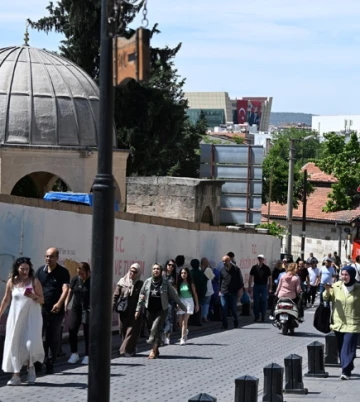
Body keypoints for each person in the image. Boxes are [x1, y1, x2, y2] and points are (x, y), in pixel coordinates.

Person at [0, 257, 44, 385]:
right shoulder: (11, 282)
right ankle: (16, 375)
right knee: (15, 344)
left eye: (27, 269)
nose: (25, 271)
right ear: (17, 269)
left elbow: (42, 299)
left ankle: (30, 368)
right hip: (15, 318)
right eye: (22, 269)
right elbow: (6, 300)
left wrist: (34, 296)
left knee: (29, 344)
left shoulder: (34, 281)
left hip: (32, 318)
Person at [135, 264, 186, 358]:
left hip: (162, 309)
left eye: (158, 269)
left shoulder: (165, 282)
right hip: (149, 309)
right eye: (154, 269)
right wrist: (138, 310)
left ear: (161, 271)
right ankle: (156, 347)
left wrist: (182, 306)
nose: (156, 270)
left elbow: (174, 295)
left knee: (155, 327)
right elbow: (141, 296)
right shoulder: (147, 282)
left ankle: (153, 351)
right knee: (152, 330)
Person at [35, 247, 70, 374]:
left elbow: (65, 289)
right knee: (39, 336)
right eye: (47, 256)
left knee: (53, 337)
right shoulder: (40, 271)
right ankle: (38, 362)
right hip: (40, 309)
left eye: (51, 257)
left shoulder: (63, 272)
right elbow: (34, 287)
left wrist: (59, 303)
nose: (48, 259)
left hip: (56, 310)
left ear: (57, 258)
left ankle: (50, 361)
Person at [323, 266, 360, 380]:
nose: (344, 277)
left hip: (353, 323)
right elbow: (326, 298)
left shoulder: (358, 288)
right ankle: (348, 364)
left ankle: (345, 371)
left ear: (352, 275)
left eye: (346, 275)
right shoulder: (337, 286)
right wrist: (327, 291)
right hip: (338, 323)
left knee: (347, 347)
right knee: (342, 348)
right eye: (342, 274)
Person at [113, 263, 143, 357]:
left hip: (135, 311)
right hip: (123, 311)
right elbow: (115, 295)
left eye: (135, 272)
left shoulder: (140, 284)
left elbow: (142, 298)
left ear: (138, 273)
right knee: (122, 331)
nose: (132, 273)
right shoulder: (122, 282)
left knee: (131, 331)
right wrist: (112, 307)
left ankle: (122, 350)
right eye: (131, 271)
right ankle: (130, 349)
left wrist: (139, 310)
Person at [65, 262, 91, 364]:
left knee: (87, 332)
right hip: (76, 308)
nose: (81, 276)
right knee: (72, 329)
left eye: (83, 274)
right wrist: (66, 304)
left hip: (88, 309)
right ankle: (74, 353)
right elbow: (70, 292)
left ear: (88, 272)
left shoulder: (93, 281)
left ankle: (88, 355)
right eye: (79, 273)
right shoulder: (76, 279)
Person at [219, 255, 244, 329]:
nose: (224, 262)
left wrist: (240, 290)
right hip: (224, 292)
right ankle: (224, 324)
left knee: (233, 309)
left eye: (225, 261)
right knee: (224, 308)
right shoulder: (222, 270)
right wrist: (219, 291)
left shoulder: (236, 269)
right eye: (223, 261)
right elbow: (220, 281)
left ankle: (235, 322)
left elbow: (240, 280)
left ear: (229, 261)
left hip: (233, 292)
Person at [177, 267, 200, 345]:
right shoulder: (179, 283)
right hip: (181, 301)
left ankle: (182, 338)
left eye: (185, 273)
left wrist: (197, 304)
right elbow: (177, 294)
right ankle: (185, 331)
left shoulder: (191, 283)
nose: (183, 274)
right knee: (180, 322)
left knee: (184, 321)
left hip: (189, 302)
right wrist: (177, 303)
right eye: (182, 273)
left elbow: (195, 294)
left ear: (187, 274)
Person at [248, 254, 272, 322]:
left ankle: (263, 316)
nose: (259, 259)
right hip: (256, 285)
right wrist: (250, 286)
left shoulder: (266, 268)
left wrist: (270, 287)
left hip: (264, 286)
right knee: (256, 301)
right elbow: (250, 277)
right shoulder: (254, 267)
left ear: (263, 260)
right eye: (259, 258)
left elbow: (270, 278)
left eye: (261, 258)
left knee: (264, 301)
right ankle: (256, 316)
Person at [162, 259, 177, 345]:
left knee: (169, 316)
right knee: (162, 317)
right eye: (169, 265)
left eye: (172, 265)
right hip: (161, 298)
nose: (171, 267)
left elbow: (176, 288)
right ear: (166, 265)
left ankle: (167, 335)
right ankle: (162, 333)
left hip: (170, 299)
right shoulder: (162, 274)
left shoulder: (175, 276)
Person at [189, 259, 208, 326]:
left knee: (191, 306)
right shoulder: (201, 274)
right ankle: (197, 321)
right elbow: (205, 283)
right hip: (200, 293)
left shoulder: (190, 273)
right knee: (198, 306)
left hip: (190, 293)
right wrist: (203, 293)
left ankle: (190, 320)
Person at [200, 257, 215, 322]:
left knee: (201, 304)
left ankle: (200, 317)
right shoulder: (208, 269)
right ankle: (205, 317)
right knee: (206, 304)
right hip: (208, 290)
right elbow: (212, 278)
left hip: (201, 290)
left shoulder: (199, 269)